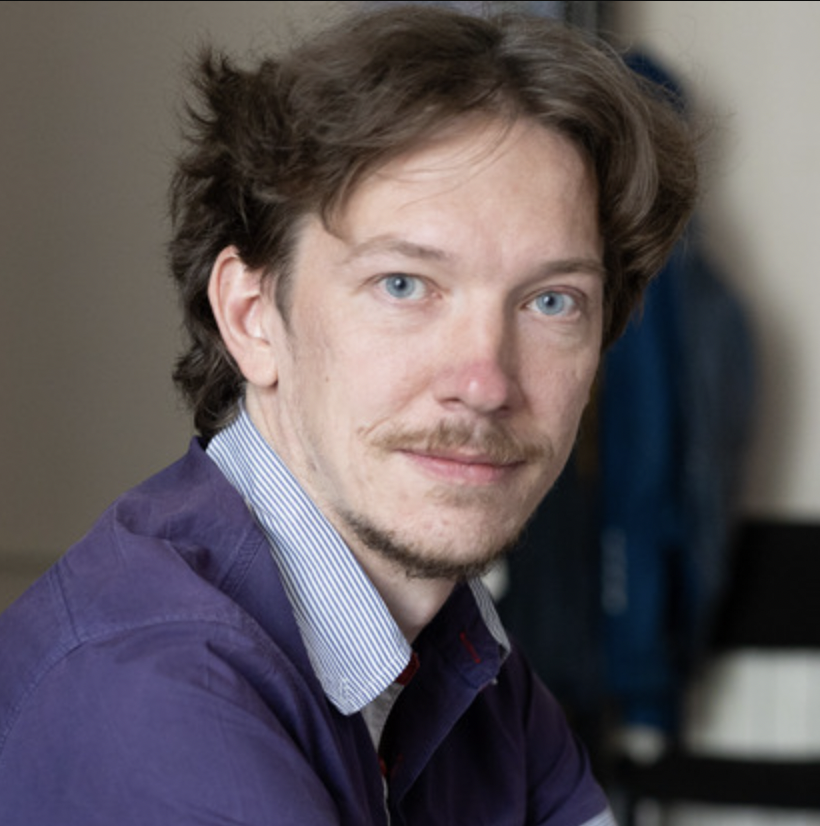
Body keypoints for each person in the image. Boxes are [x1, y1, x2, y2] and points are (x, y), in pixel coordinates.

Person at [0, 5, 698, 824]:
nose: (485, 382)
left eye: (551, 301)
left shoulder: (468, 659)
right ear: (252, 318)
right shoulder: (153, 701)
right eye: (404, 285)